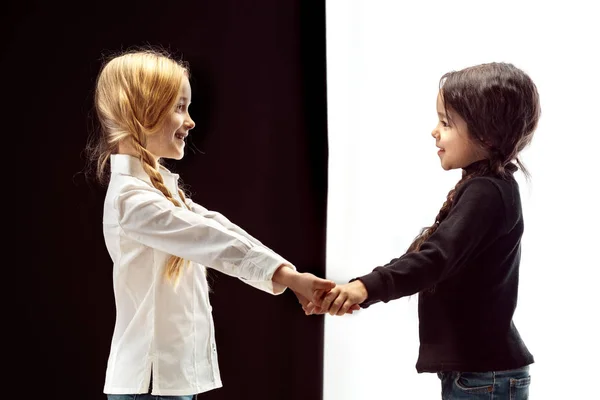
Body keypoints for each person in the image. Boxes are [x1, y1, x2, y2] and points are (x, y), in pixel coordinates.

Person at [84, 47, 335, 400]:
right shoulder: (133, 200)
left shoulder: (155, 191)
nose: (190, 122)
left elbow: (218, 227)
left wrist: (290, 276)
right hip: (150, 388)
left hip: (164, 386)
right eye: (179, 107)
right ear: (143, 111)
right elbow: (212, 240)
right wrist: (289, 277)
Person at [309, 62, 540, 399]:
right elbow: (428, 254)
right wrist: (361, 286)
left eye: (446, 123)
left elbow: (434, 259)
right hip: (481, 374)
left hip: (483, 377)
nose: (435, 131)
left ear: (487, 134)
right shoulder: (485, 187)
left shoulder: (487, 192)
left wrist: (364, 289)